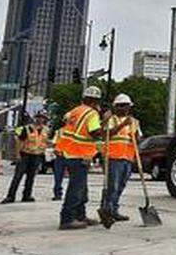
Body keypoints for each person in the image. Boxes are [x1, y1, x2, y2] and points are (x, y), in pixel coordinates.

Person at [55, 86, 109, 230]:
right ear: (95, 101)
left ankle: (80, 215)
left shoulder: (75, 111)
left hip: (69, 152)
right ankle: (67, 219)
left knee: (81, 188)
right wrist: (106, 124)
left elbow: (67, 121)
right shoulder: (92, 113)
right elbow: (95, 133)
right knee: (76, 188)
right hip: (78, 154)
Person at [103, 94, 140, 222]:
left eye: (127, 106)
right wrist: (123, 124)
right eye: (122, 106)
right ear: (117, 107)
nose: (125, 109)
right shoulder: (111, 119)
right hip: (113, 157)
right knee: (112, 186)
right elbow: (107, 134)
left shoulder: (134, 121)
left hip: (127, 158)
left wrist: (134, 133)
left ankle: (114, 209)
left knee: (121, 185)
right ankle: (107, 210)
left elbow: (137, 139)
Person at [1, 112, 49, 204]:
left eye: (43, 118)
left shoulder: (46, 130)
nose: (41, 120)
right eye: (39, 117)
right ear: (36, 118)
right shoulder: (28, 128)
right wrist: (17, 154)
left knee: (31, 177)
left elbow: (45, 142)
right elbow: (19, 142)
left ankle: (27, 195)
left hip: (37, 155)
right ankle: (10, 196)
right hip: (25, 155)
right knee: (17, 176)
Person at [51, 125, 66, 201]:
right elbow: (54, 143)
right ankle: (58, 193)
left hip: (67, 155)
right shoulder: (59, 131)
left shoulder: (60, 131)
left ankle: (57, 194)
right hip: (62, 155)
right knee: (58, 176)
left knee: (58, 176)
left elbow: (54, 143)